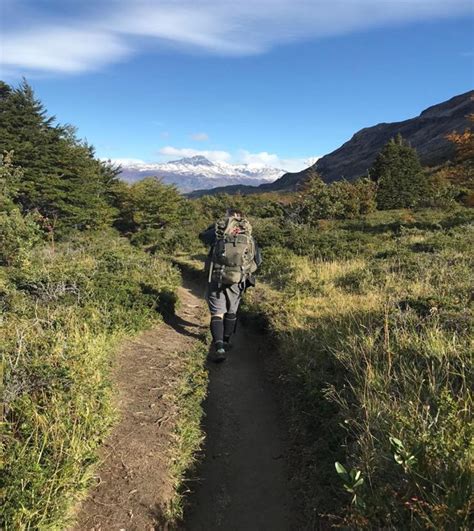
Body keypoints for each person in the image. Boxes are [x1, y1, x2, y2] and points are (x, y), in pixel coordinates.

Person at [199, 208, 262, 362]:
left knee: (217, 313)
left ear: (228, 216)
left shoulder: (219, 232)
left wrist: (215, 227)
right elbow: (258, 261)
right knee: (232, 310)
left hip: (217, 277)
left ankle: (219, 347)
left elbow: (202, 237)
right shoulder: (248, 235)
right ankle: (226, 341)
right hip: (239, 279)